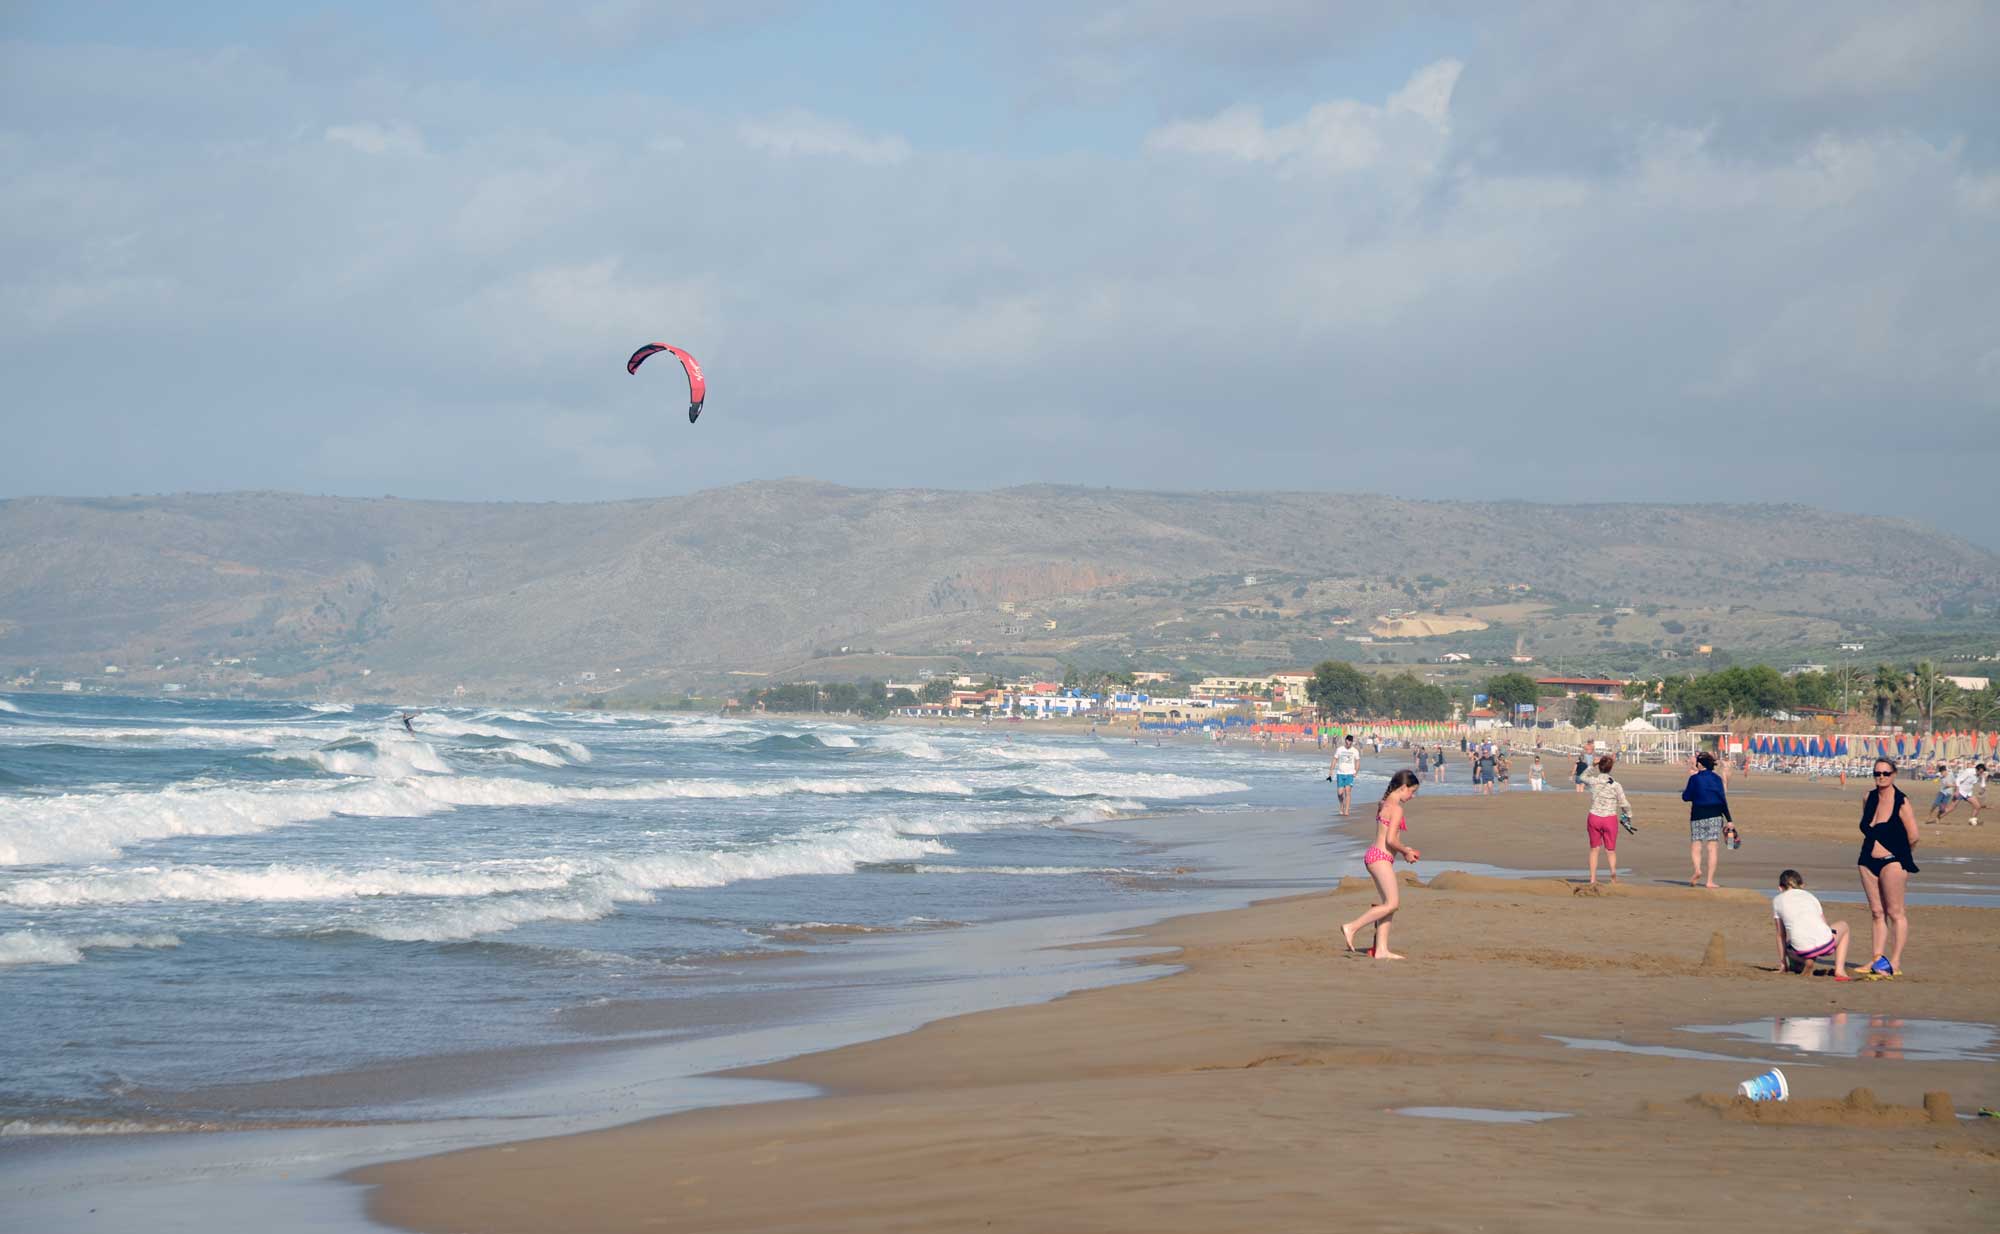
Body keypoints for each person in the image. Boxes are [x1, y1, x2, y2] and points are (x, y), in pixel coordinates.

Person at [1341, 770, 1422, 960]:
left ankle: (1382, 950)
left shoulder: (1384, 803)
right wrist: (1406, 851)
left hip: (1375, 856)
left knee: (1388, 904)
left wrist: (1404, 848)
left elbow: (1387, 838)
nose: (1413, 796)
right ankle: (1351, 927)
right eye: (1412, 791)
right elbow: (1391, 839)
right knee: (1392, 903)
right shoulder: (1396, 808)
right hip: (1380, 858)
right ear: (1403, 788)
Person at [1857, 759, 1920, 978]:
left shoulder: (1901, 801)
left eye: (1885, 773)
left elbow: (1914, 835)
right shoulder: (1869, 797)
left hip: (1893, 860)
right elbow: (1867, 827)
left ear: (1894, 774)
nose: (1881, 777)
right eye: (1877, 773)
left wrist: (1900, 854)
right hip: (1867, 860)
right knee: (1876, 912)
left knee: (1895, 912)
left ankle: (1894, 961)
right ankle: (1876, 959)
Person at [1772, 869, 1852, 980]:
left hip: (1802, 949)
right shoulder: (1811, 896)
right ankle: (1839, 970)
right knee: (1844, 926)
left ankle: (1805, 961)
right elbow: (1824, 924)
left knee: (1789, 944)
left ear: (1780, 888)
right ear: (1802, 885)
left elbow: (1781, 935)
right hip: (1826, 945)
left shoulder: (1777, 900)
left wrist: (1783, 964)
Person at [1682, 751, 1733, 888]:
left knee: (1696, 844)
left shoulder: (1694, 778)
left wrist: (1696, 793)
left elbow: (1686, 797)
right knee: (1712, 847)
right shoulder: (1717, 779)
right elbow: (1722, 799)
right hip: (1716, 814)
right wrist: (1729, 819)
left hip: (1698, 813)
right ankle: (1710, 881)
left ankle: (1698, 869)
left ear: (1700, 764)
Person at [1580, 754, 1631, 885]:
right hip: (1609, 819)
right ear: (1610, 768)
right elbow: (1624, 803)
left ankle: (1592, 879)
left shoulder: (1594, 781)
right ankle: (1613, 876)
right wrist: (1628, 816)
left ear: (1600, 767)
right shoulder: (1616, 785)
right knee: (1610, 850)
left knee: (1594, 849)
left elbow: (1582, 777)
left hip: (1594, 817)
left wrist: (1592, 765)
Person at [1328, 734, 1361, 818]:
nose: (1348, 744)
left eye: (1350, 742)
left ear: (1352, 742)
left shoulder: (1355, 751)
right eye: (1347, 742)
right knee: (1340, 793)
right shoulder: (1340, 749)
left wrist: (1356, 771)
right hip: (1340, 773)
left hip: (1350, 774)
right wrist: (1331, 771)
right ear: (1345, 741)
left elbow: (1357, 761)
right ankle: (1341, 805)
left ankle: (1346, 810)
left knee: (1348, 792)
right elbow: (1335, 759)